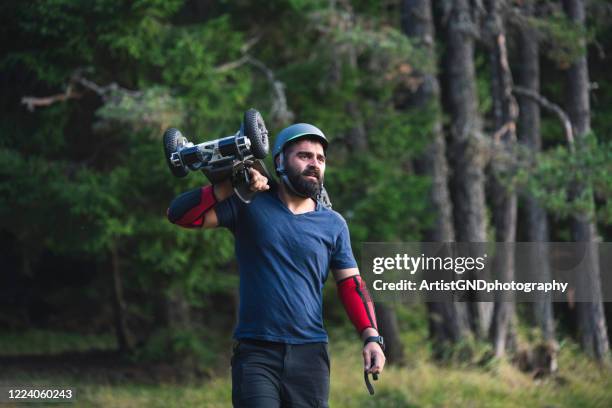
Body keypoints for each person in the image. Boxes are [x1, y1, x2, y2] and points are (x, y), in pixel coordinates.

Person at [167, 123, 386, 407]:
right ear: (280, 160)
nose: (315, 164)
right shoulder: (249, 202)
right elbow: (181, 216)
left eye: (320, 159)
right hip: (257, 352)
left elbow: (352, 285)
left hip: (310, 355)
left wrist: (372, 337)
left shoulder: (333, 224)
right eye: (305, 156)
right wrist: (231, 184)